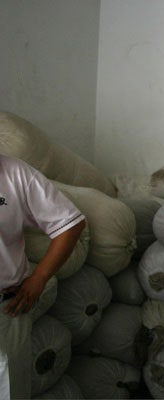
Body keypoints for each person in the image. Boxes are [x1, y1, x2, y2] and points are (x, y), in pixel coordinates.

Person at [0, 154, 86, 399]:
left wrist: (39, 277)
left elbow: (70, 223)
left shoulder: (15, 173)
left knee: (8, 389)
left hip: (6, 310)